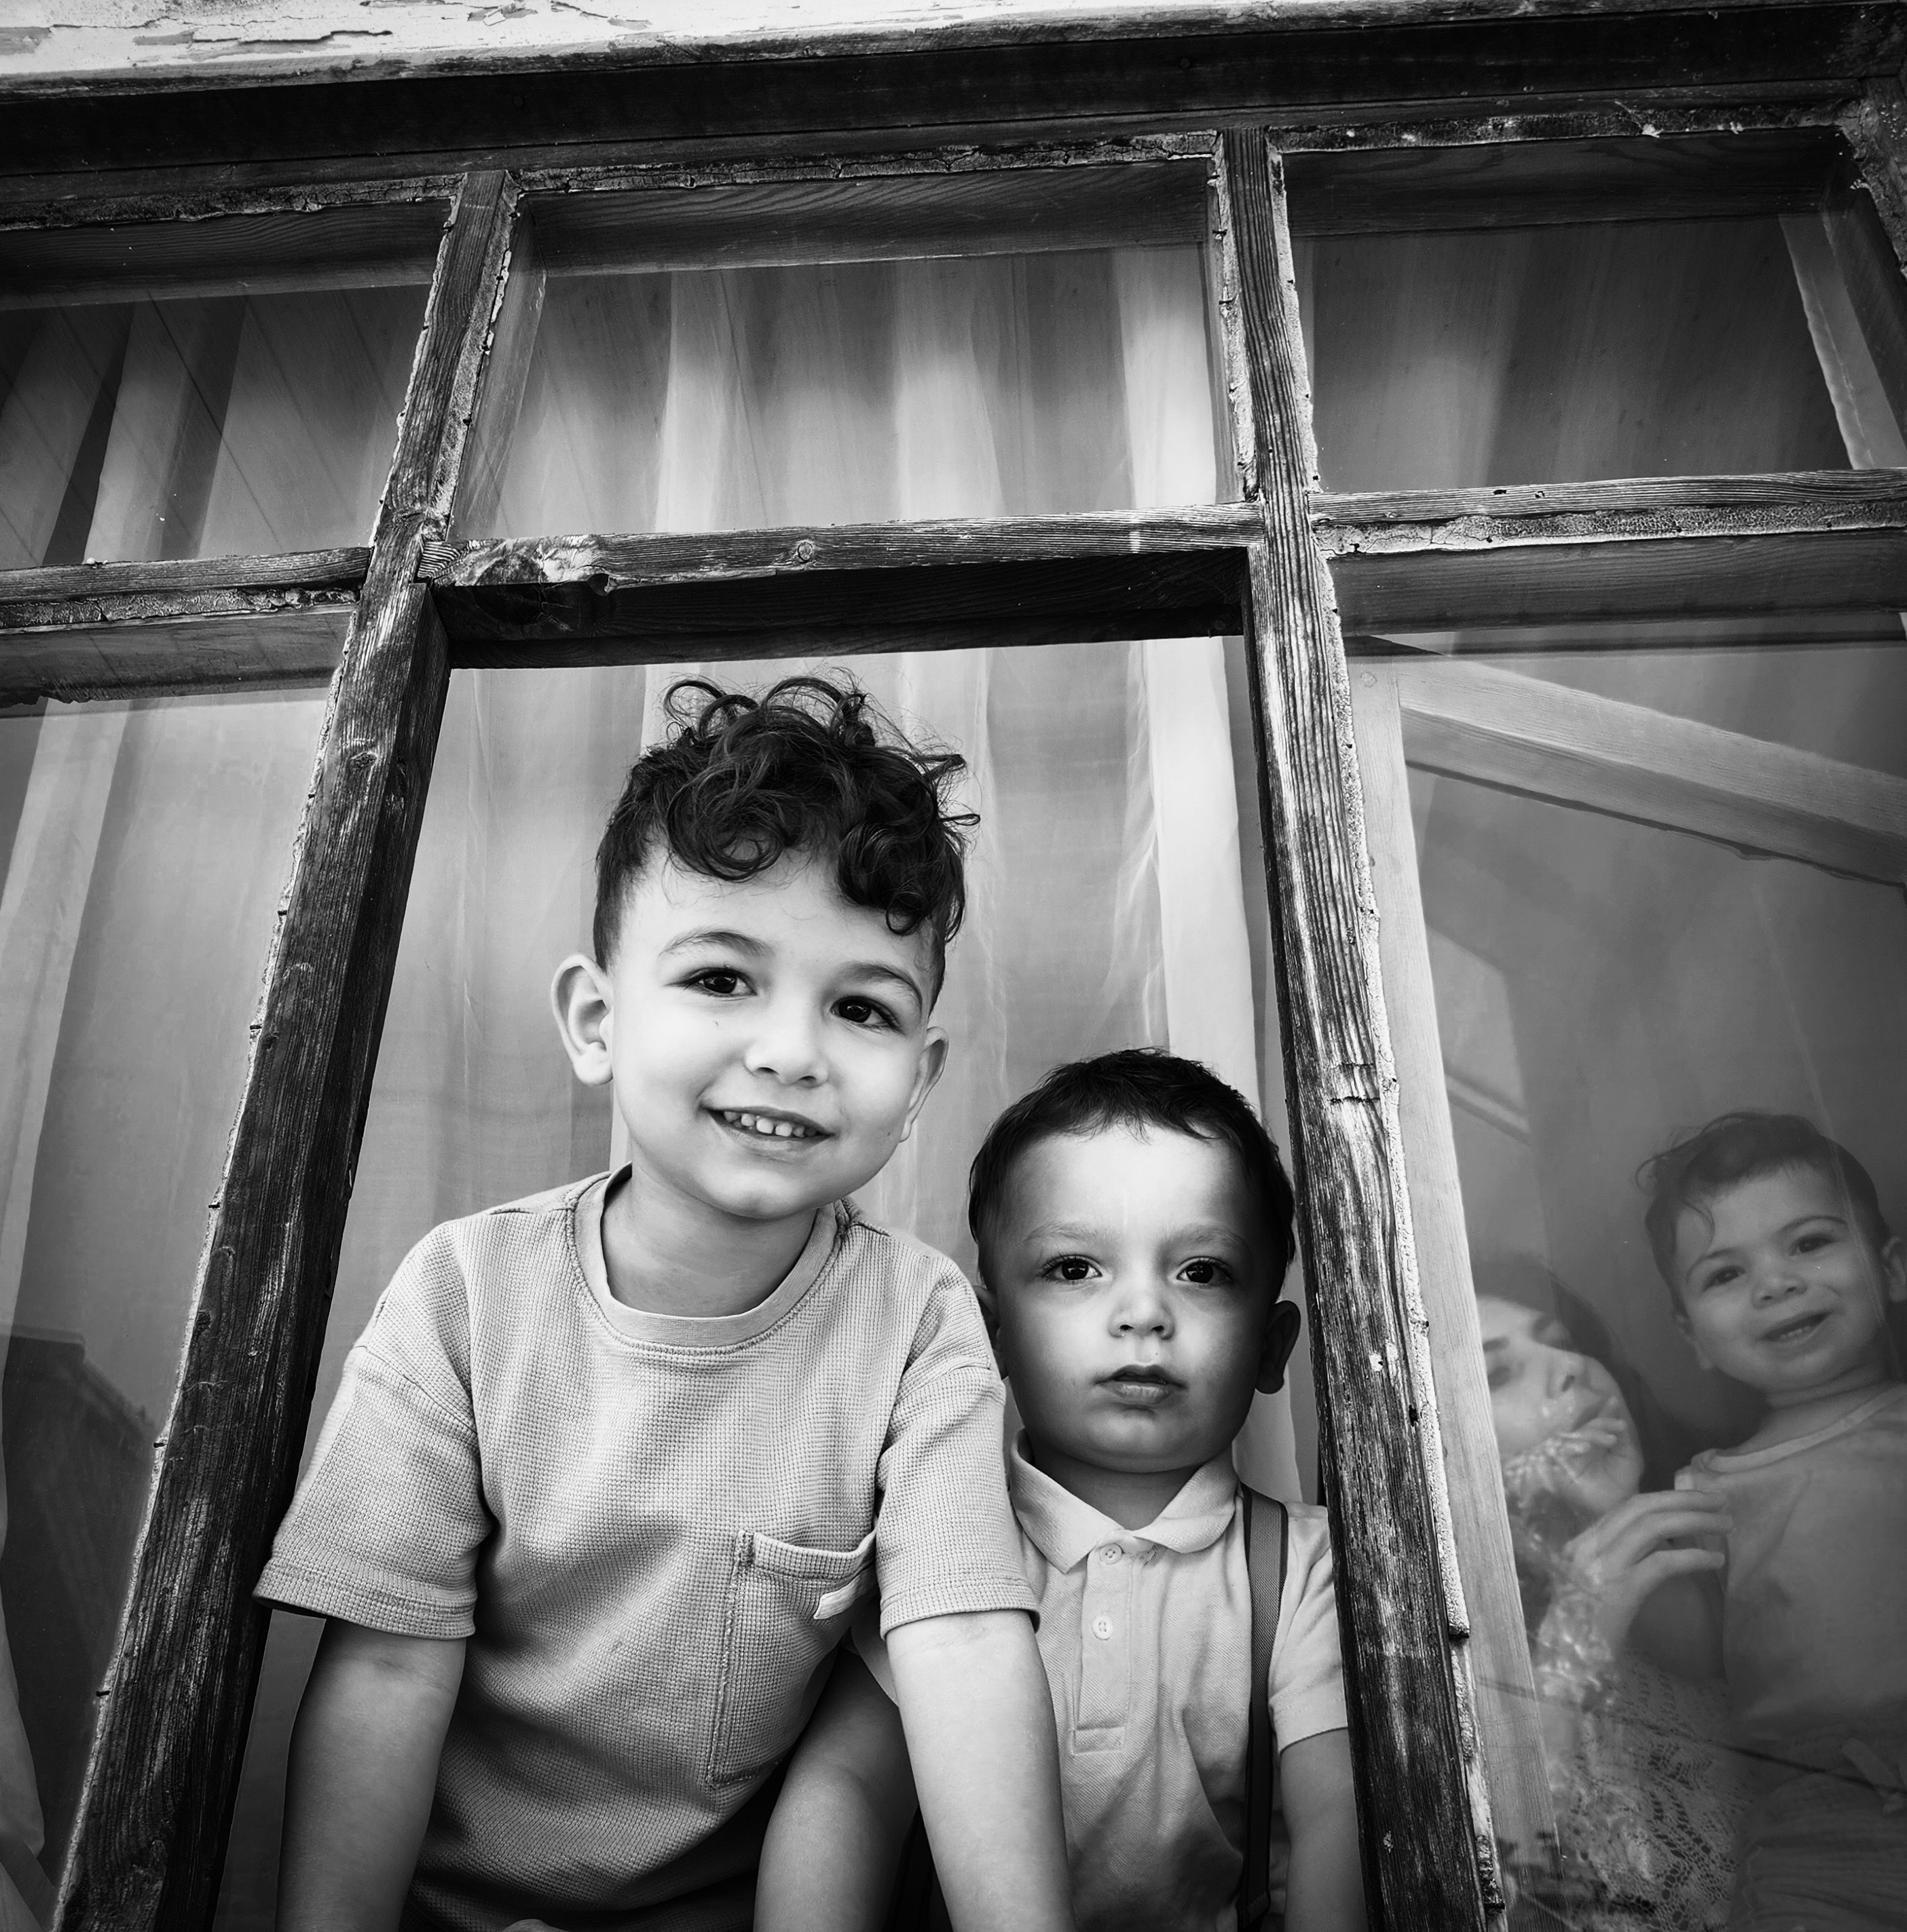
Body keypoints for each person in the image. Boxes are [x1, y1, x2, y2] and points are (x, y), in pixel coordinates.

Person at [258, 678, 1076, 1932]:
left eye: (861, 1007)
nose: (793, 1050)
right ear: (597, 1020)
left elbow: (962, 1650)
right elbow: (381, 1669)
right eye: (722, 980)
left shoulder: (920, 1324)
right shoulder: (465, 1297)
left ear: (918, 1081)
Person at [756, 1050, 1365, 1932]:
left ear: (1272, 1348)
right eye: (1078, 1267)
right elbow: (849, 1791)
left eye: (1201, 1270)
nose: (1143, 1310)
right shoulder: (940, 1539)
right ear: (988, 1332)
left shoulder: (1304, 1569)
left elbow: (1336, 1820)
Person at [1636, 1111, 1907, 1931]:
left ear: (1891, 1267)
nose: (1775, 1283)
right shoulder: (1706, 1491)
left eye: (1811, 1242)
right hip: (1817, 1821)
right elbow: (1692, 1654)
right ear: (1692, 1337)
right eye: (1724, 1274)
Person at [1477, 1290, 1743, 1931]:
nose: (1572, 1367)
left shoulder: (1720, 1520)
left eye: (1563, 1340)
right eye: (1498, 1374)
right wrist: (1575, 1638)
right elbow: (1504, 1893)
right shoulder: (1456, 1655)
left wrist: (1604, 1516)